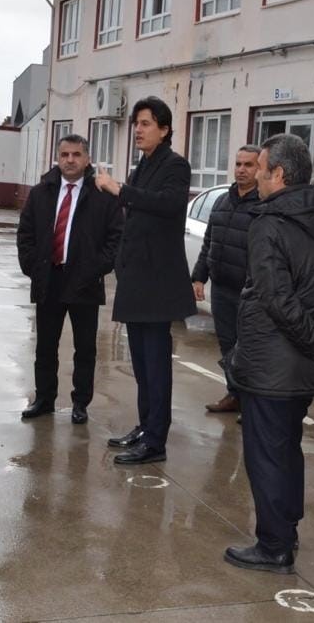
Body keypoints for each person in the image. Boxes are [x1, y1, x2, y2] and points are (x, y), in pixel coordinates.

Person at [223, 133, 314, 574]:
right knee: (286, 447)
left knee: (267, 453)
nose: (255, 177)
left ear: (280, 174)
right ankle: (285, 528)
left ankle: (274, 545)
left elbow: (276, 298)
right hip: (307, 362)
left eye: (261, 169)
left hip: (273, 362)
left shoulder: (269, 222)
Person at [95, 96, 196, 465]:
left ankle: (156, 441)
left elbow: (167, 204)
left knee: (156, 364)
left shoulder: (176, 166)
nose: (138, 130)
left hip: (158, 283)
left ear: (164, 129)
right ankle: (145, 426)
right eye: (136, 123)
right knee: (140, 363)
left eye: (146, 123)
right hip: (136, 280)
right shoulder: (143, 166)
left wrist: (119, 189)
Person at [16, 134, 124, 425]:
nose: (70, 160)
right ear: (57, 157)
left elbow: (116, 237)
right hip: (49, 278)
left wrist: (96, 268)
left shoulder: (102, 195)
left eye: (76, 154)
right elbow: (25, 233)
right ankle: (44, 399)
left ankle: (80, 403)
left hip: (85, 281)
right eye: (65, 155)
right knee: (45, 346)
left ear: (87, 159)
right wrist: (33, 267)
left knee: (85, 348)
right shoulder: (41, 193)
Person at [191, 145, 260, 414]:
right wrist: (199, 277)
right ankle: (235, 395)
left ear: (260, 169)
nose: (241, 170)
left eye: (248, 165)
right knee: (227, 344)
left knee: (249, 349)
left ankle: (252, 403)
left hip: (248, 292)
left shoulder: (263, 205)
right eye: (238, 164)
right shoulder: (222, 201)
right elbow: (209, 242)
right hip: (221, 289)